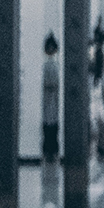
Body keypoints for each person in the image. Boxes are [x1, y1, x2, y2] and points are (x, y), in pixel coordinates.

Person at [41, 32, 60, 163]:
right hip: (50, 98)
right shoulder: (49, 64)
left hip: (51, 98)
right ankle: (50, 150)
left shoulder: (52, 64)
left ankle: (50, 150)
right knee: (50, 124)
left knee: (50, 124)